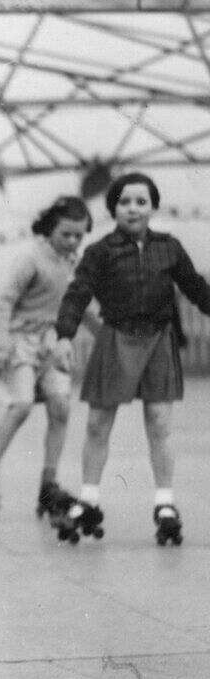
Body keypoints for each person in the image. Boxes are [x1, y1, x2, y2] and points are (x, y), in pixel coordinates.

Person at [52, 172, 210, 546]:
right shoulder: (99, 252)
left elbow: (196, 287)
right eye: (124, 202)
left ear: (153, 206)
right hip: (116, 339)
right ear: (113, 209)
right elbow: (77, 294)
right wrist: (63, 336)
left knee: (159, 422)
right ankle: (88, 499)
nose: (133, 208)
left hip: (158, 340)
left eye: (141, 201)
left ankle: (165, 503)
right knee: (97, 423)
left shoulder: (169, 247)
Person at [0, 197, 93, 521]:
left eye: (79, 235)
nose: (73, 241)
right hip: (20, 340)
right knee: (20, 405)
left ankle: (49, 486)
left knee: (61, 406)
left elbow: (81, 306)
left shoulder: (71, 263)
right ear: (50, 230)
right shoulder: (31, 258)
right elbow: (3, 301)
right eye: (67, 234)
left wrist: (106, 334)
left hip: (52, 341)